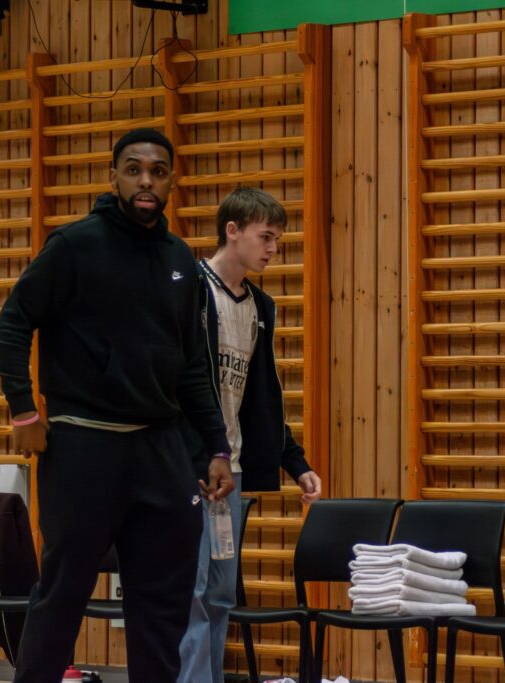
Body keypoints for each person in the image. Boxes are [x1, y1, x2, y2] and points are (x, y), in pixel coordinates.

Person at [0, 128, 234, 683]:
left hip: (161, 450)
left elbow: (193, 367)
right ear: (114, 177)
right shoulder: (75, 245)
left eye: (158, 171)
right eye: (134, 169)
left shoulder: (179, 260)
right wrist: (24, 410)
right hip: (85, 446)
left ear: (171, 181)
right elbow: (13, 322)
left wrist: (216, 447)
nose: (146, 181)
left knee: (163, 603)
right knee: (63, 592)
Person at [178, 187, 322, 683]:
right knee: (191, 591)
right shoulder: (192, 288)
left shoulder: (261, 305)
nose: (273, 249)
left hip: (232, 471)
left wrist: (295, 462)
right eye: (266, 237)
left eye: (278, 239)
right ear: (232, 231)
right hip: (191, 467)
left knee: (220, 594)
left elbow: (260, 398)